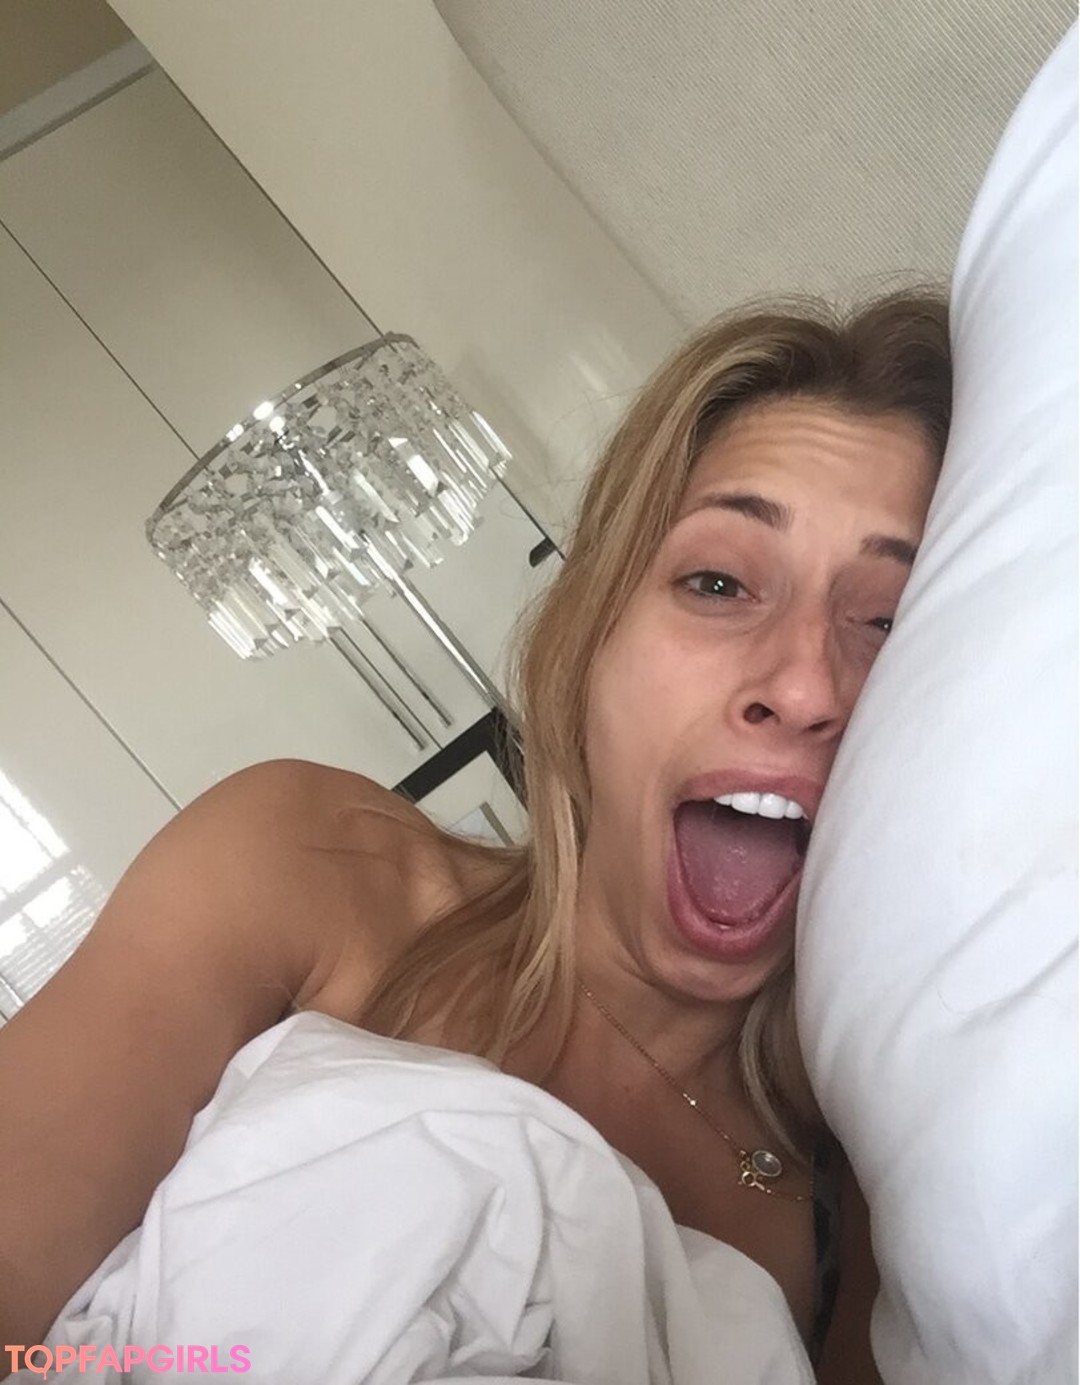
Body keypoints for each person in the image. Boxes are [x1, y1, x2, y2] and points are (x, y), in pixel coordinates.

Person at [0, 289, 950, 1382]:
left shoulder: (872, 1203)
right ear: (588, 637)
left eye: (889, 621)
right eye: (719, 580)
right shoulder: (304, 870)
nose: (806, 685)